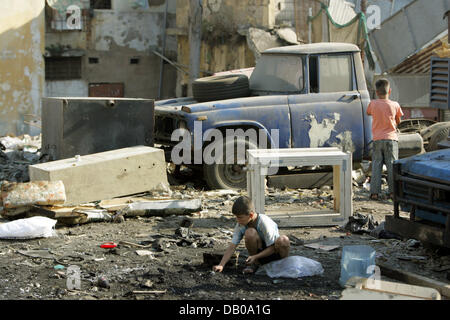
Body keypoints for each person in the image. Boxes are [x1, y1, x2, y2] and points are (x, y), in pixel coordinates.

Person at [212, 196, 290, 274]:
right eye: (236, 217)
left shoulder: (264, 223)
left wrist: (256, 256)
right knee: (250, 232)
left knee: (283, 240)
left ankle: (283, 265)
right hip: (258, 257)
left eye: (240, 217)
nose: (237, 220)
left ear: (251, 215)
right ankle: (255, 264)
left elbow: (273, 248)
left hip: (274, 254)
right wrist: (221, 265)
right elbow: (232, 246)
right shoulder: (240, 225)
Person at [367, 78, 404, 200]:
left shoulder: (373, 104)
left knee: (376, 166)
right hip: (391, 140)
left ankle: (374, 193)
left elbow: (368, 113)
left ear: (376, 92)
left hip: (377, 139)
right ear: (390, 91)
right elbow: (399, 120)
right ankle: (393, 193)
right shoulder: (395, 105)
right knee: (392, 166)